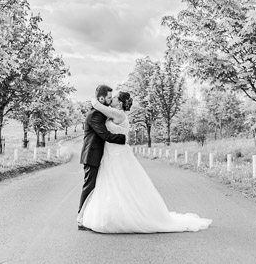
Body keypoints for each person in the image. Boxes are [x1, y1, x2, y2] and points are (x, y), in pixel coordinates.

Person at [80, 90, 212, 233]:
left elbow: (98, 106)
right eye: (111, 97)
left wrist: (94, 100)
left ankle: (125, 217)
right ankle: (115, 215)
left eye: (115, 98)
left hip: (117, 153)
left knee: (120, 183)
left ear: (120, 103)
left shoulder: (118, 114)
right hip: (111, 153)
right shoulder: (114, 112)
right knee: (114, 184)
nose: (113, 99)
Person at [78, 84, 127, 230]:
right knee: (89, 186)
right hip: (92, 155)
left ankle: (92, 217)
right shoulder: (95, 115)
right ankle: (81, 218)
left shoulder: (101, 112)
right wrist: (124, 138)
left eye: (112, 98)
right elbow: (105, 135)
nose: (111, 100)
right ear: (101, 99)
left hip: (100, 155)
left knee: (98, 187)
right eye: (109, 98)